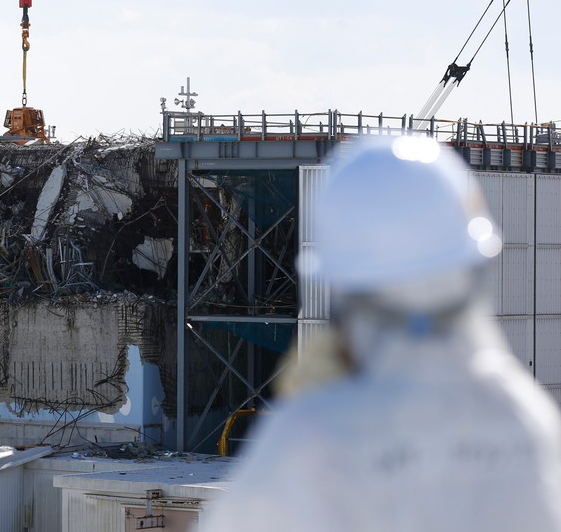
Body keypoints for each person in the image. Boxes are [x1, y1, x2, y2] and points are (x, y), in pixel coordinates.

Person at [200, 135, 561, 532]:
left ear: (341, 286)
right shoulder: (525, 417)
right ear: (473, 269)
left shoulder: (310, 439)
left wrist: (305, 411)